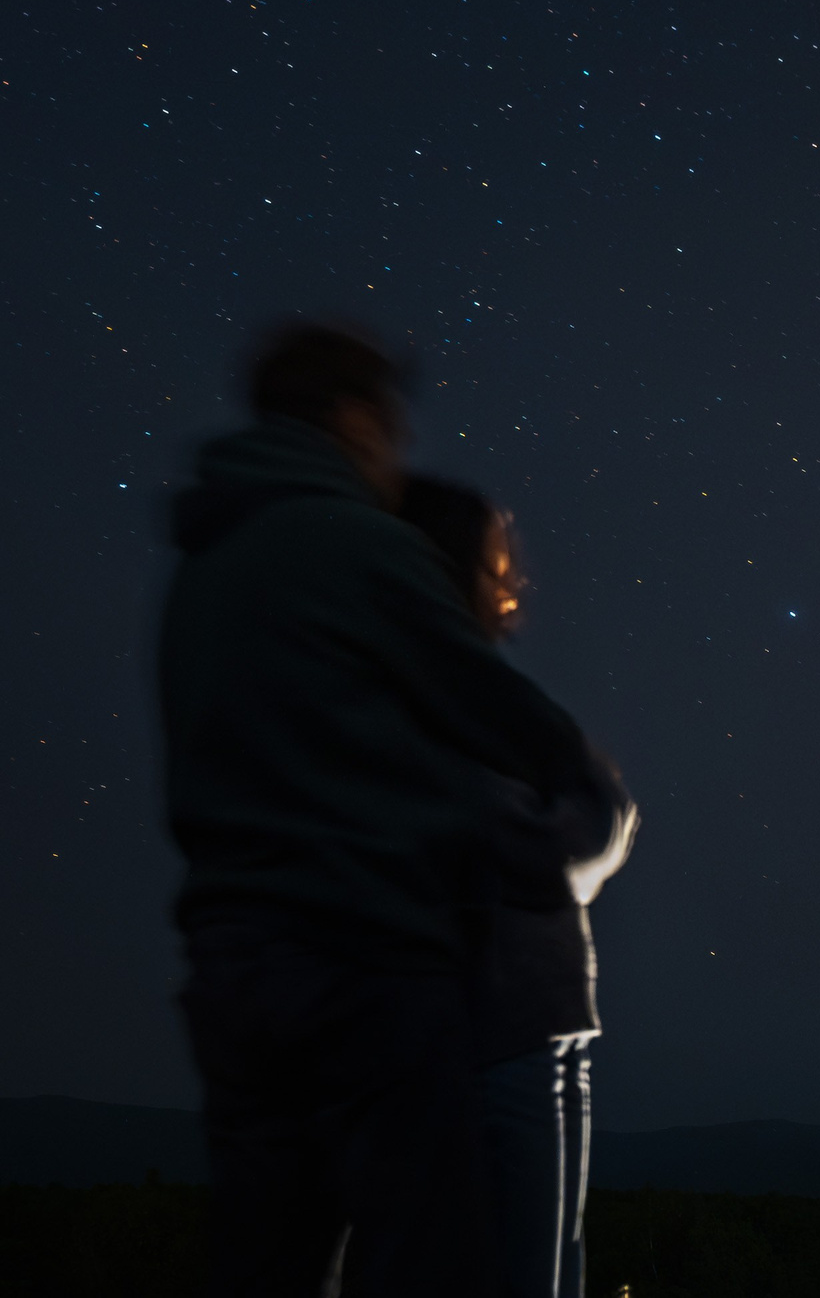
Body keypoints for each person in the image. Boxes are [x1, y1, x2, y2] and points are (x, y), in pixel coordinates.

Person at [159, 322, 615, 1297]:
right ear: (354, 418)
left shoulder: (203, 574)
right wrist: (588, 804)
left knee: (272, 1260)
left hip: (235, 974)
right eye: (390, 427)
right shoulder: (355, 545)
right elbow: (500, 719)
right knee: (433, 1260)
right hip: (367, 970)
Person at [401, 477, 637, 1298]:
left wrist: (585, 805)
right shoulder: (435, 695)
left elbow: (596, 811)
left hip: (545, 1024)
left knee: (552, 1270)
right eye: (495, 563)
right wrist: (582, 804)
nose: (514, 583)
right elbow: (550, 828)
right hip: (496, 1034)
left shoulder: (482, 693)